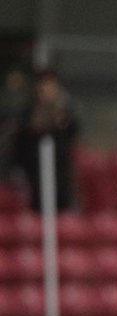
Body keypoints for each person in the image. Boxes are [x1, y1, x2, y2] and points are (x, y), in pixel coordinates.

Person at [17, 68, 79, 211]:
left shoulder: (66, 114)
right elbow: (21, 146)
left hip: (61, 180)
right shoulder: (28, 116)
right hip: (34, 180)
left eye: (49, 85)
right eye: (42, 85)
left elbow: (73, 134)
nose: (45, 90)